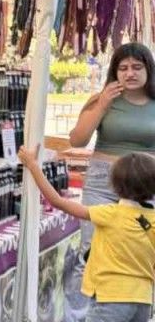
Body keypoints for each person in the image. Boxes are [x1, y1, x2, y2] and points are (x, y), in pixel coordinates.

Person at [65, 42, 155, 321]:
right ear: (114, 72)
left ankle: (136, 308)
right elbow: (77, 140)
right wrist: (102, 105)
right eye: (123, 68)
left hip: (146, 184)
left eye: (137, 67)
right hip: (103, 181)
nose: (130, 73)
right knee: (91, 249)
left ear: (149, 70)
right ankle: (82, 314)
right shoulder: (102, 99)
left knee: (142, 247)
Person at [19, 145, 155, 322]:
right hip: (143, 300)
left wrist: (33, 165)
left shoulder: (110, 213)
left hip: (110, 298)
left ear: (116, 186)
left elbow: (57, 201)